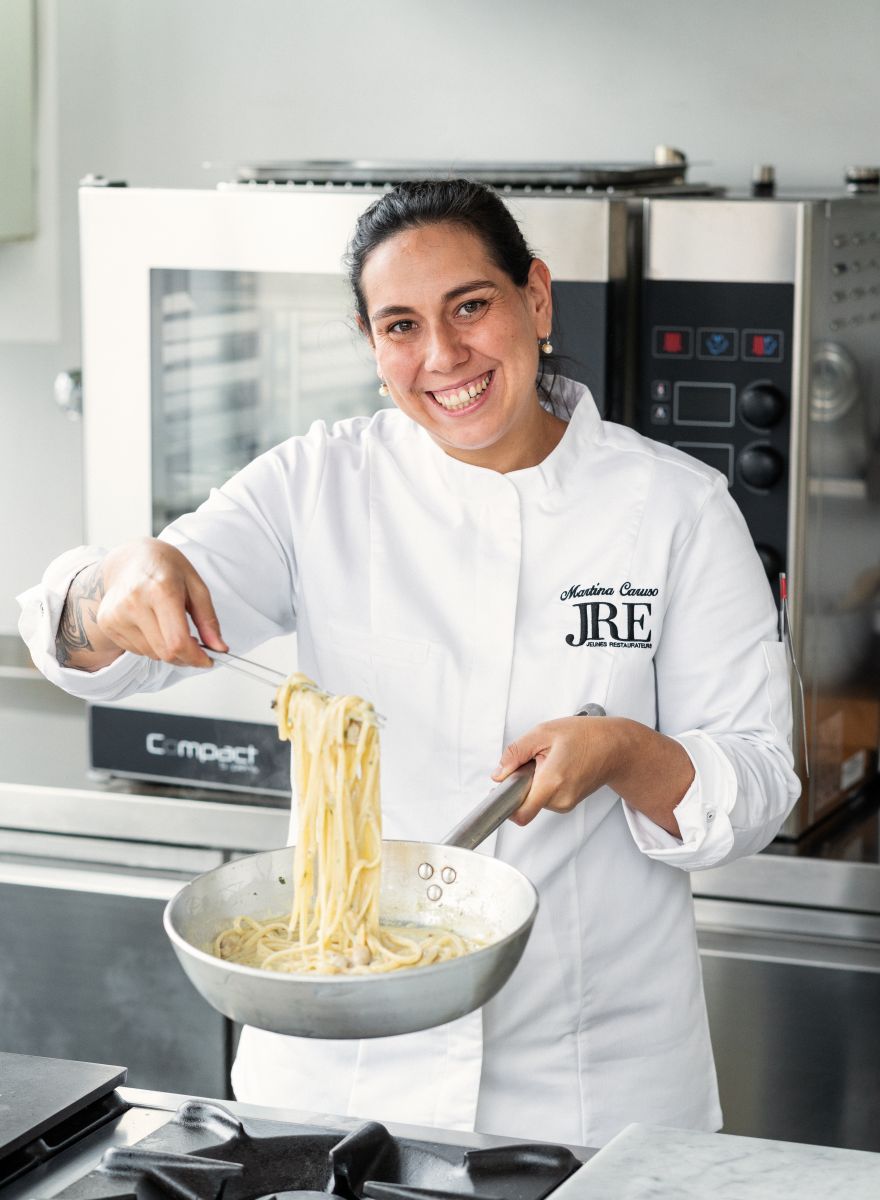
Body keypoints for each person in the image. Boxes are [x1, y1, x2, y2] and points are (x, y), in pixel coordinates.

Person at [19, 179, 800, 1148]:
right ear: (370, 342)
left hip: (591, 1078)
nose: (442, 355)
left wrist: (626, 753)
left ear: (536, 299)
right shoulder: (314, 484)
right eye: (401, 326)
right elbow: (86, 647)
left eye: (470, 306)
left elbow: (758, 784)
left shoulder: (677, 509)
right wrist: (116, 584)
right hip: (336, 1068)